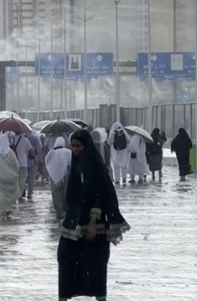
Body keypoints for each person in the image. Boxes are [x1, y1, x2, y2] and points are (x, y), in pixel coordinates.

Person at [58, 129, 130, 301]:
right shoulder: (76, 164)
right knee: (66, 259)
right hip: (75, 222)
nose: (75, 149)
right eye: (73, 146)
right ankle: (64, 296)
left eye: (78, 146)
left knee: (95, 264)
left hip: (93, 225)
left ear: (86, 146)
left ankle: (100, 297)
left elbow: (98, 193)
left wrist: (93, 221)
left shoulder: (94, 165)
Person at [0, 133, 20, 218]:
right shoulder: (10, 152)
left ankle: (3, 209)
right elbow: (16, 165)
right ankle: (8, 208)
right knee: (8, 193)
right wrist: (15, 173)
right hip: (9, 177)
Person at [46, 137, 72, 219]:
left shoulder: (51, 152)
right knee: (65, 192)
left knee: (56, 193)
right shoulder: (68, 151)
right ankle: (66, 210)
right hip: (66, 174)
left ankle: (59, 212)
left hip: (53, 176)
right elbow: (71, 163)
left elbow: (47, 162)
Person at [9, 132, 34, 200]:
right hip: (23, 163)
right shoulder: (26, 140)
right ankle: (19, 196)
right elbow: (31, 151)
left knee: (14, 179)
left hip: (13, 163)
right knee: (22, 180)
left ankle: (13, 194)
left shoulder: (11, 139)